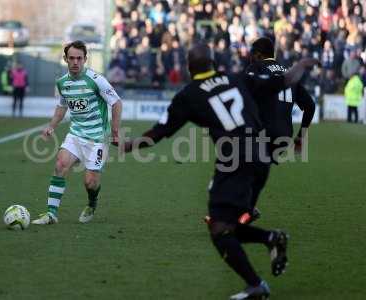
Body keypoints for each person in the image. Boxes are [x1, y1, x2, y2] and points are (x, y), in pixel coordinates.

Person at [120, 43, 318, 299]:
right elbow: (282, 81)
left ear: (189, 68)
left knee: (219, 228)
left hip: (235, 158)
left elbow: (160, 132)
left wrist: (128, 145)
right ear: (213, 63)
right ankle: (271, 238)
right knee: (228, 223)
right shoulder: (237, 78)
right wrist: (301, 65)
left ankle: (256, 284)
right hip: (261, 154)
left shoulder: (189, 95)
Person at [32, 40, 122, 225]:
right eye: (71, 58)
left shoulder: (97, 80)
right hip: (76, 134)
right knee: (60, 164)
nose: (75, 62)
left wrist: (114, 130)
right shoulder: (62, 83)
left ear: (85, 59)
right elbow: (62, 106)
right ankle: (51, 214)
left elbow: (116, 102)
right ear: (65, 59)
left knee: (90, 182)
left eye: (79, 58)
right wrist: (52, 126)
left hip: (98, 138)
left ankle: (92, 202)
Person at [244, 37, 316, 220]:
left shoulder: (256, 68)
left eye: (252, 55)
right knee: (253, 170)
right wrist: (301, 137)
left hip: (262, 132)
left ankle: (231, 212)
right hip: (284, 135)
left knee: (231, 164)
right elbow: (310, 106)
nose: (250, 58)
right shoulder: (288, 73)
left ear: (258, 55)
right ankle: (246, 210)